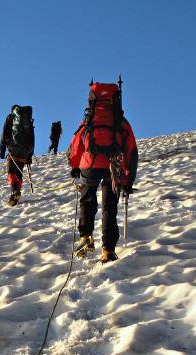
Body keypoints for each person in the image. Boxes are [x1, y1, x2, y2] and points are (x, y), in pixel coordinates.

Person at [68, 80, 138, 263]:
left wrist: (75, 166)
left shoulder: (89, 119)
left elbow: (76, 144)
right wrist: (128, 179)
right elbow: (131, 150)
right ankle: (108, 250)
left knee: (87, 200)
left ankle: (86, 237)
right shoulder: (120, 122)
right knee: (109, 206)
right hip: (113, 167)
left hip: (89, 164)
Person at [0, 105, 34, 206]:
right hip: (25, 151)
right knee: (19, 173)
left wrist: (2, 148)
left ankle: (15, 191)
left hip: (13, 148)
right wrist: (29, 155)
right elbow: (32, 137)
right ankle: (16, 193)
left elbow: (4, 133)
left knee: (11, 171)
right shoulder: (28, 119)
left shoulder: (10, 117)